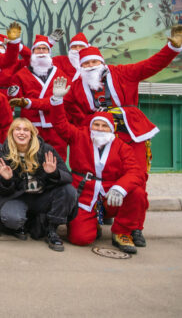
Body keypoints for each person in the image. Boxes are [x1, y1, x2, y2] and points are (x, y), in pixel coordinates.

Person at [63, 28, 182, 245]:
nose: (90, 67)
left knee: (137, 181)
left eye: (93, 62)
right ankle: (96, 216)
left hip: (130, 134)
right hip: (98, 136)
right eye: (86, 64)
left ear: (101, 62)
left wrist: (172, 48)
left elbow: (150, 65)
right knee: (98, 177)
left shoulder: (122, 72)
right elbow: (67, 107)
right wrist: (84, 125)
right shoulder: (77, 87)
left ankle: (132, 226)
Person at [49, 77, 147, 254]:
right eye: (96, 125)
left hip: (111, 193)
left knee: (137, 193)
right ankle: (91, 223)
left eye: (104, 126)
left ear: (112, 129)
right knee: (80, 239)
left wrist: (120, 188)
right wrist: (56, 101)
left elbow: (135, 171)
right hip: (85, 192)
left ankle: (122, 232)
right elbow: (60, 124)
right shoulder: (79, 136)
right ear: (90, 126)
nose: (100, 129)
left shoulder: (122, 147)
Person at [0, 119, 77, 251]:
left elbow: (67, 177)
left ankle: (52, 229)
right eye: (17, 129)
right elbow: (1, 190)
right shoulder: (5, 152)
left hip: (42, 196)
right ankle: (27, 224)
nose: (21, 133)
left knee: (69, 191)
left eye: (26, 130)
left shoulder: (46, 150)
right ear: (11, 133)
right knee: (11, 219)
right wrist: (7, 180)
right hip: (19, 197)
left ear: (32, 133)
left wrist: (54, 173)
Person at [7, 34, 70, 161]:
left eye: (44, 49)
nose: (41, 52)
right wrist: (13, 95)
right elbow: (15, 99)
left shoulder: (60, 74)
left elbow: (62, 101)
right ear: (33, 52)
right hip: (31, 127)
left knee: (57, 161)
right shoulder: (20, 75)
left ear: (49, 52)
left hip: (55, 126)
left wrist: (29, 103)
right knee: (31, 159)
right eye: (38, 49)